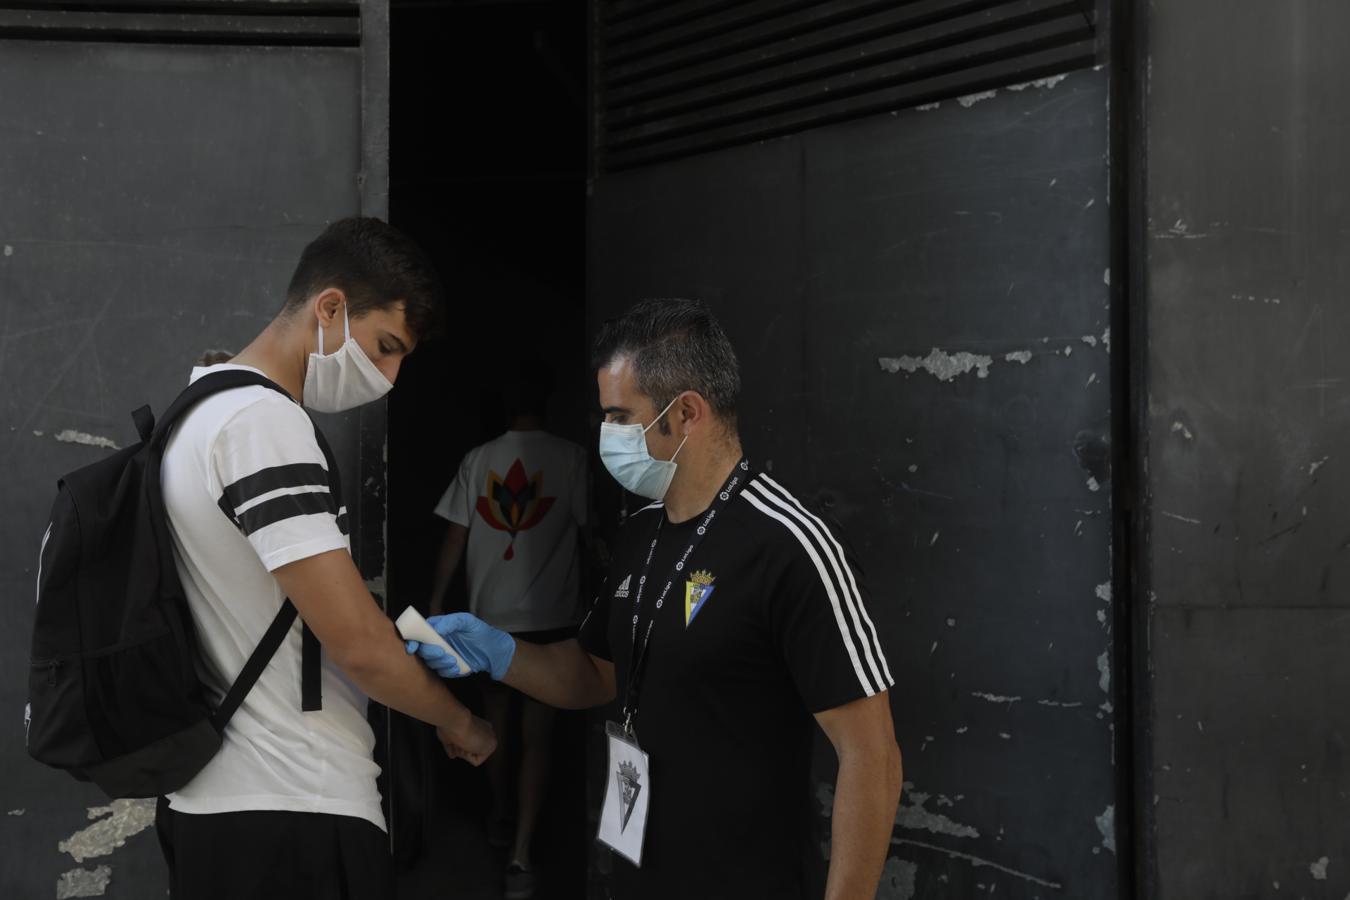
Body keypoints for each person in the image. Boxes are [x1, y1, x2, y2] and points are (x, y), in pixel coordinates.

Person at [407, 299, 903, 900]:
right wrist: (499, 652)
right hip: (641, 872)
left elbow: (871, 756)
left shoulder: (790, 547)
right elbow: (594, 674)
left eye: (620, 416)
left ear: (687, 412)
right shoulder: (640, 533)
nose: (605, 436)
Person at [157, 217, 496, 900]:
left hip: (219, 801)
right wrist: (461, 721)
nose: (392, 377)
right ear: (331, 307)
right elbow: (358, 649)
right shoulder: (264, 426)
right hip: (290, 809)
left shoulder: (195, 411)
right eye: (386, 347)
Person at [428, 363, 589, 898]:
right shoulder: (572, 459)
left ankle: (498, 813)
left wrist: (434, 602)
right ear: (549, 403)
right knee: (537, 741)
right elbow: (595, 538)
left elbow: (454, 539)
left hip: (488, 621)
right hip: (551, 621)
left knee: (492, 729)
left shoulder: (479, 459)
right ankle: (522, 850)